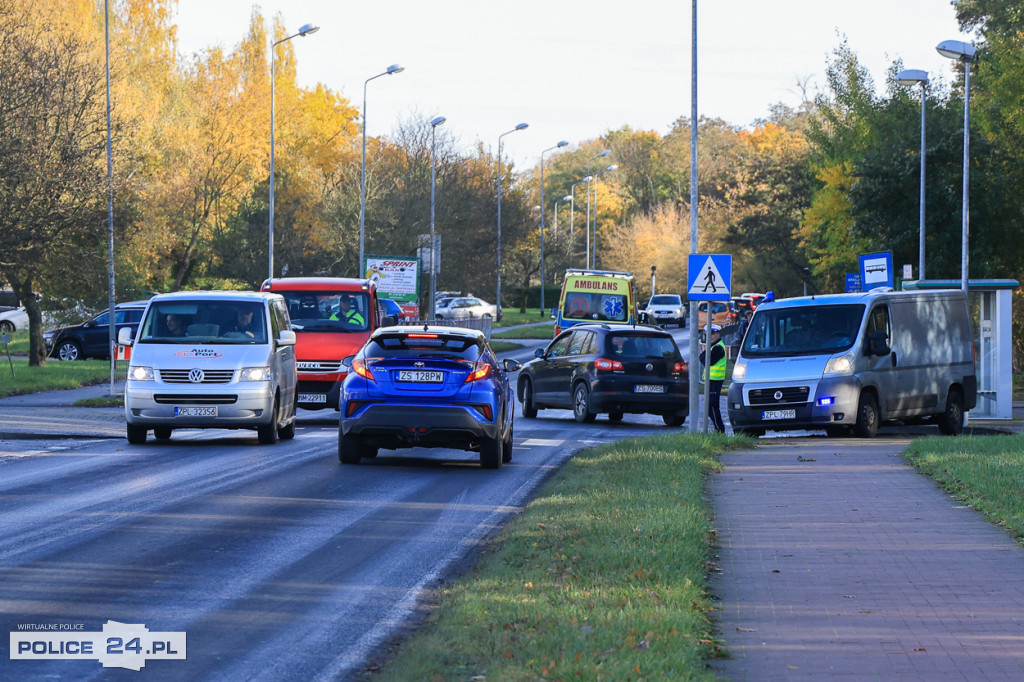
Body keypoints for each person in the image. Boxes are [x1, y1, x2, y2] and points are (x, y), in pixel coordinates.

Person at [699, 324, 727, 433]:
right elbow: (701, 358)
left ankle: (719, 429)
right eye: (709, 334)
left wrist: (704, 356)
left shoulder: (718, 347)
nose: (711, 336)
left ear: (718, 334)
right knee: (710, 406)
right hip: (711, 380)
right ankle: (718, 428)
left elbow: (706, 360)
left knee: (712, 406)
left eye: (713, 334)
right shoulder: (713, 346)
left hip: (715, 380)